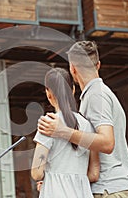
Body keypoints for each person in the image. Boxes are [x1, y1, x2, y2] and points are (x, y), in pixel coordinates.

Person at [37, 41, 128, 197]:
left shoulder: (96, 96)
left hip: (108, 189)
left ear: (72, 69)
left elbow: (107, 143)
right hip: (108, 186)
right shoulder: (97, 94)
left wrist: (62, 131)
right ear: (98, 65)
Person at [31, 68, 100, 198]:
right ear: (73, 90)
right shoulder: (88, 125)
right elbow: (94, 174)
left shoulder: (48, 124)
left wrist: (49, 180)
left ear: (48, 93)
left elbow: (37, 172)